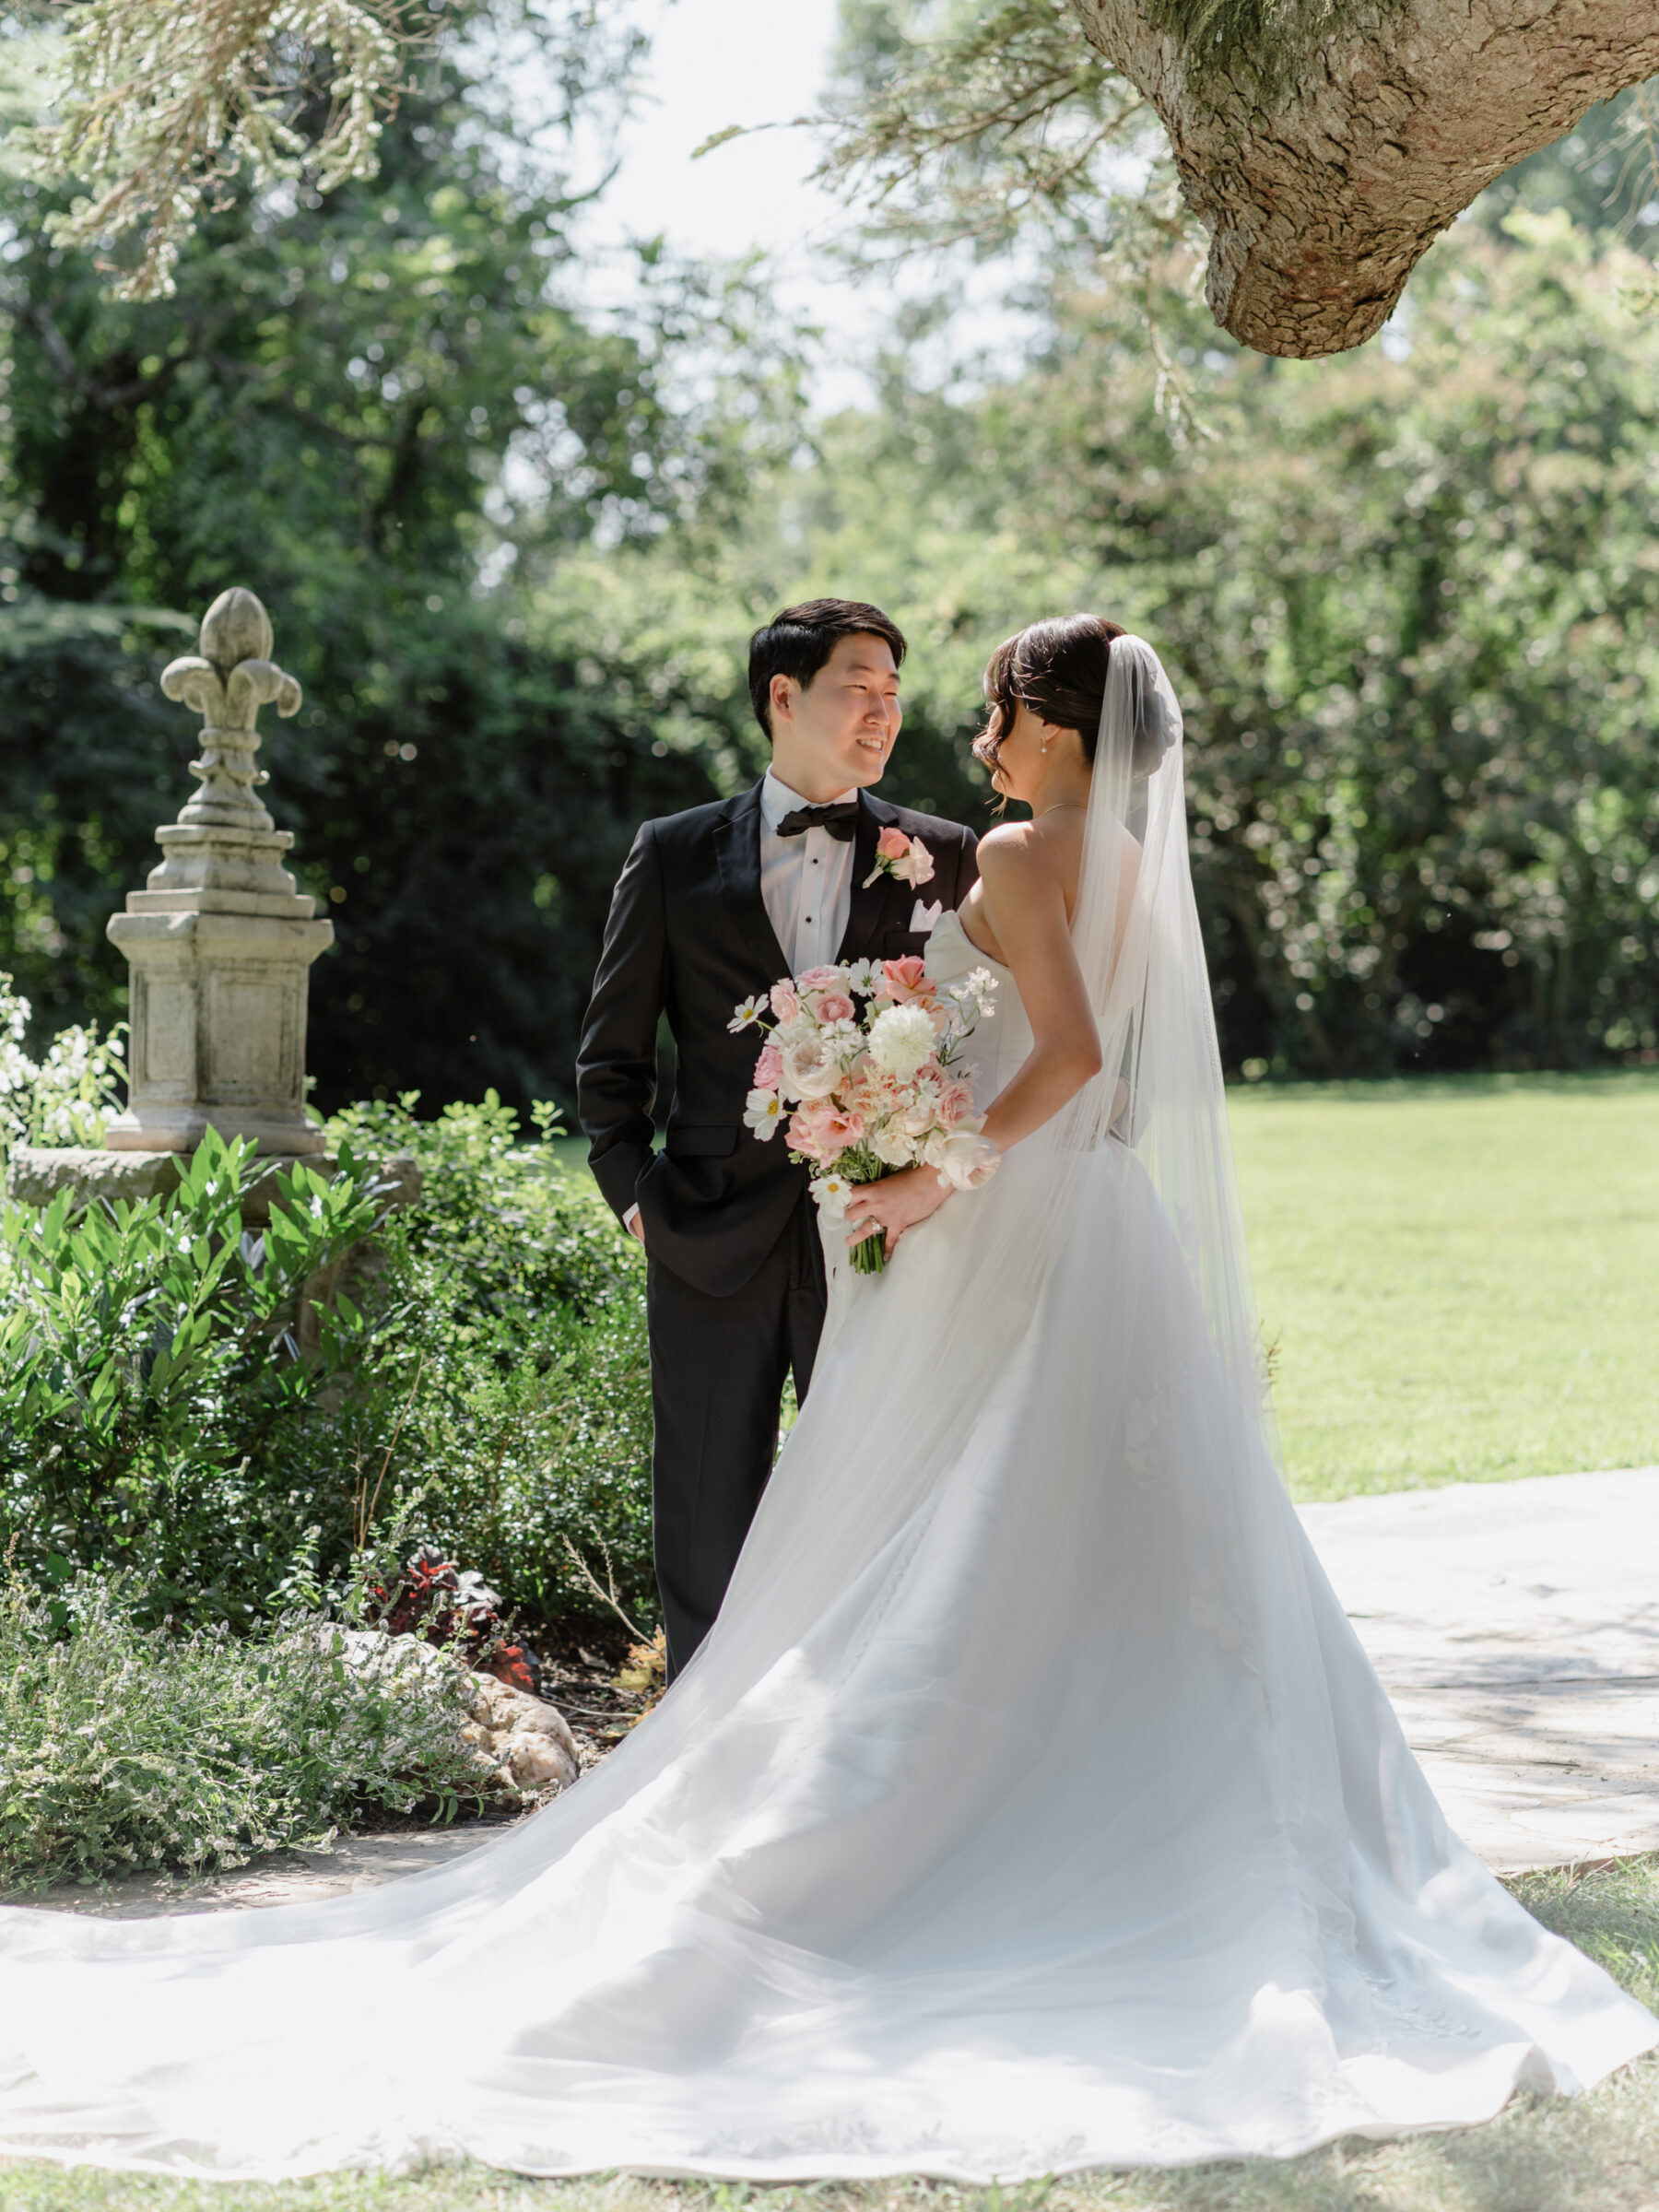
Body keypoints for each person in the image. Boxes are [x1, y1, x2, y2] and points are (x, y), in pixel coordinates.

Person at [0, 621, 1653, 2183]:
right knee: (1087, 1521)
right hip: (1089, 1233)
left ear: (1057, 728)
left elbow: (1066, 1055)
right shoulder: (1129, 858)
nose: (965, 733)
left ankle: (902, 1819)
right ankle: (1111, 1793)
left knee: (952, 1520)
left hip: (987, 1214)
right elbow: (1119, 1081)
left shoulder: (1006, 851)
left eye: (995, 709)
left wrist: (939, 1168)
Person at [576, 598, 977, 1677]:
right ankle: (705, 1749)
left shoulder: (942, 854)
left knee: (894, 1493)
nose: (882, 713)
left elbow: (983, 1040)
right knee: (707, 1508)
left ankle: (876, 1737)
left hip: (882, 1231)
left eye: (894, 693)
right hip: (706, 1229)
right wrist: (637, 1199)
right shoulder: (669, 856)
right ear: (783, 698)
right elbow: (609, 1062)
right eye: (859, 688)